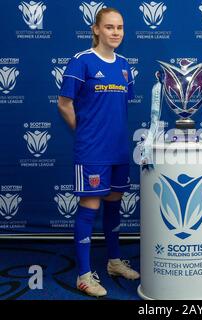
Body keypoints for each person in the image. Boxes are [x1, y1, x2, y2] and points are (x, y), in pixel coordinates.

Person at [58, 7, 139, 297]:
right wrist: (84, 133)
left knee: (114, 204)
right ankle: (83, 275)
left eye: (119, 27)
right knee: (90, 208)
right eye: (109, 27)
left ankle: (114, 262)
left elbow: (119, 107)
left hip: (118, 150)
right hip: (92, 151)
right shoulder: (82, 62)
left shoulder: (125, 66)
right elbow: (64, 104)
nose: (115, 32)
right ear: (96, 29)